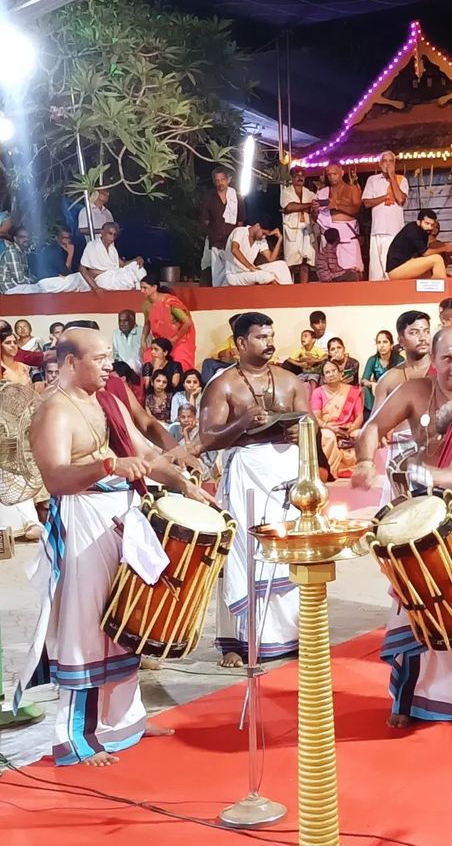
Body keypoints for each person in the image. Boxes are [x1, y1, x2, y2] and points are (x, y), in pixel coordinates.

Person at [20, 327, 209, 765]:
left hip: (120, 518)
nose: (111, 366)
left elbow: (143, 453)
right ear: (71, 362)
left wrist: (182, 482)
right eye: (101, 359)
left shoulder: (106, 399)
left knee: (125, 620)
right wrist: (108, 464)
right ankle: (76, 738)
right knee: (85, 627)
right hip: (83, 520)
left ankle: (124, 724)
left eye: (109, 357)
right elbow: (55, 479)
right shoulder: (54, 411)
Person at [352, 327, 452, 726]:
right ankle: (409, 699)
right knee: (416, 596)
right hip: (422, 507)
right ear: (434, 359)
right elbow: (372, 426)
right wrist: (363, 459)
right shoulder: (414, 392)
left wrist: (447, 474)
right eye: (448, 359)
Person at [199, 312, 309, 667]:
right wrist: (242, 423)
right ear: (241, 343)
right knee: (242, 553)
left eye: (271, 336)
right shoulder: (223, 385)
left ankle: (290, 634)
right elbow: (207, 438)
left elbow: (311, 423)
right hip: (246, 474)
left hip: (286, 474)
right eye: (261, 337)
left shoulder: (291, 380)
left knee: (286, 550)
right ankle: (237, 642)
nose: (269, 343)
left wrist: (302, 433)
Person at [370, 310, 434, 506]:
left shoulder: (446, 372)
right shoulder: (389, 380)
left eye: (426, 331)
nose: (423, 337)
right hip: (402, 457)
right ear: (401, 340)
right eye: (414, 332)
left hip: (439, 452)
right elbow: (374, 426)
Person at [310, 360, 363, 479]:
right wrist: (329, 427)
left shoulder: (352, 391)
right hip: (327, 427)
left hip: (347, 427)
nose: (331, 374)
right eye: (327, 372)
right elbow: (315, 417)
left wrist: (352, 427)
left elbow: (360, 416)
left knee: (360, 434)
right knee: (327, 436)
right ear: (323, 378)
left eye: (334, 371)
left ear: (340, 374)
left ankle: (356, 469)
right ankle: (331, 472)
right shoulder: (318, 393)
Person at [362, 150, 409, 281]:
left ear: (395, 163)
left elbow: (400, 199)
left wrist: (392, 177)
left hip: (395, 231)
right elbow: (366, 202)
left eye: (391, 161)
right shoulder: (372, 180)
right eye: (385, 161)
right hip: (377, 231)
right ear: (379, 164)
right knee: (377, 272)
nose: (388, 164)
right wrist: (385, 197)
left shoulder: (402, 180)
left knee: (393, 269)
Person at [199, 168, 246, 287]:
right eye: (217, 180)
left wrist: (237, 238)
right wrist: (211, 232)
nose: (220, 183)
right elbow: (204, 219)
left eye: (222, 180)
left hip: (231, 241)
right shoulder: (209, 197)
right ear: (214, 182)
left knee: (232, 270)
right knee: (216, 272)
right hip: (215, 240)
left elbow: (240, 221)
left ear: (228, 180)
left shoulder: (236, 197)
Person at [141, 274, 196, 370]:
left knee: (179, 363)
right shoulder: (146, 305)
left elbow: (187, 322)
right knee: (148, 358)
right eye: (141, 288)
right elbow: (147, 323)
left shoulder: (169, 301)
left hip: (179, 340)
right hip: (162, 342)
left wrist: (174, 339)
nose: (142, 291)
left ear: (154, 287)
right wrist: (143, 339)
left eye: (145, 288)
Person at [316, 162, 363, 275]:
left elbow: (357, 210)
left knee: (354, 271)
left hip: (348, 236)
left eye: (335, 174)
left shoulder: (352, 189)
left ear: (342, 173)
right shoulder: (323, 192)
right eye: (329, 175)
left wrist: (337, 205)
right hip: (330, 235)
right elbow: (316, 217)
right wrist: (314, 209)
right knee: (332, 272)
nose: (332, 177)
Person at [79, 223, 145, 293]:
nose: (112, 237)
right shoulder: (92, 245)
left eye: (114, 235)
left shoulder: (112, 249)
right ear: (102, 232)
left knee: (136, 265)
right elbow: (82, 268)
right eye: (110, 233)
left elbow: (122, 264)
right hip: (103, 278)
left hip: (115, 274)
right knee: (128, 278)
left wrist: (136, 260)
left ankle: (144, 285)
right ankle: (141, 286)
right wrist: (95, 288)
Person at [385, 209, 448, 280]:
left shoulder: (423, 233)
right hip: (396, 269)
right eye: (427, 223)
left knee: (429, 275)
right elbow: (425, 253)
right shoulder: (413, 230)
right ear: (419, 222)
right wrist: (445, 248)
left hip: (407, 263)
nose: (429, 227)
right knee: (437, 259)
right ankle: (442, 289)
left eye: (432, 225)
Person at [279, 166, 317, 283]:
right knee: (291, 261)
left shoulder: (310, 193)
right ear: (292, 177)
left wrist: (310, 207)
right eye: (297, 176)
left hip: (306, 228)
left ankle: (303, 288)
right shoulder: (286, 192)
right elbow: (289, 207)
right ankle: (288, 285)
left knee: (305, 261)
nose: (300, 178)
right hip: (292, 230)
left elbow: (314, 211)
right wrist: (308, 206)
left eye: (302, 176)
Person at [224, 223, 292, 286]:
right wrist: (251, 267)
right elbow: (234, 249)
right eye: (263, 233)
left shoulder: (261, 239)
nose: (264, 236)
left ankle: (289, 293)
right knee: (266, 276)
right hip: (235, 275)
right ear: (257, 226)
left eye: (266, 235)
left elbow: (271, 259)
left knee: (282, 265)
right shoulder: (240, 231)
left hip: (250, 271)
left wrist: (280, 239)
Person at [360, 330, 404, 420]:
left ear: (391, 345)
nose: (382, 345)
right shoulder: (372, 360)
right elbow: (363, 380)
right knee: (364, 390)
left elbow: (403, 380)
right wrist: (372, 384)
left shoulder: (399, 359)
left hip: (393, 391)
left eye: (385, 342)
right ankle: (371, 418)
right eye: (379, 342)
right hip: (377, 391)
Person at [0, 225, 36, 293]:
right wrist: (35, 282)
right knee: (40, 291)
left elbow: (25, 274)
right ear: (15, 238)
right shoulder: (12, 252)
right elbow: (20, 280)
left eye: (27, 237)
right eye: (22, 237)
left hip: (17, 287)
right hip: (8, 288)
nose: (26, 239)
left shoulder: (23, 252)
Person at [111, 310, 143, 375]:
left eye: (125, 321)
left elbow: (148, 354)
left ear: (133, 320)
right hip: (122, 371)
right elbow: (116, 355)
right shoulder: (115, 333)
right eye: (120, 321)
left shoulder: (142, 332)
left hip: (139, 371)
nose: (122, 324)